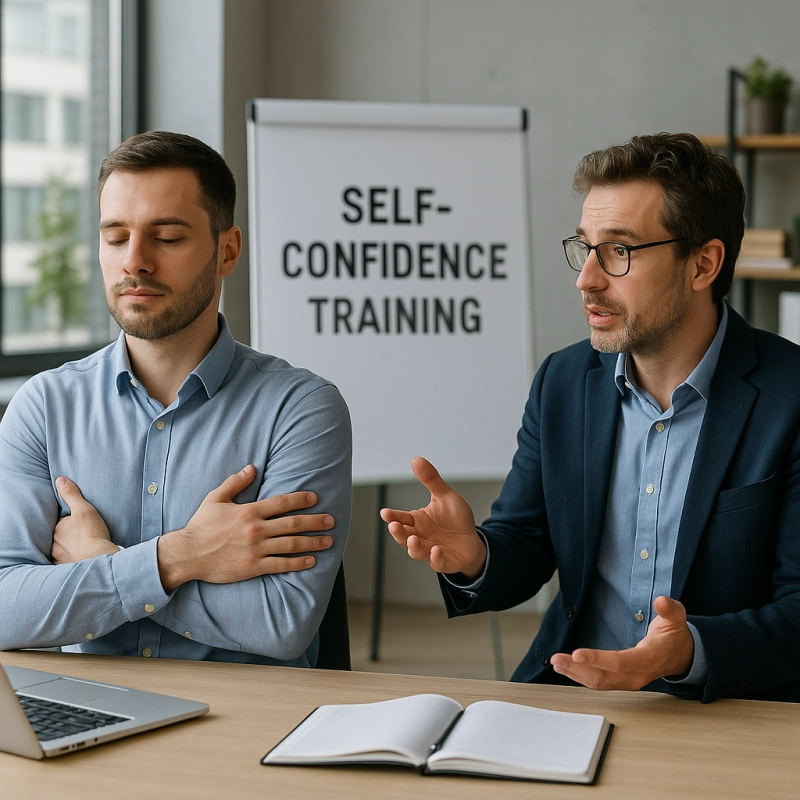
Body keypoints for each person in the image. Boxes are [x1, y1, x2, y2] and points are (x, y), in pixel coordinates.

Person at [381, 132, 800, 703]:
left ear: (704, 263)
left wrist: (689, 651)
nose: (587, 279)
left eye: (619, 251)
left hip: (726, 706)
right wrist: (475, 553)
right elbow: (527, 541)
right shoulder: (564, 382)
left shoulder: (790, 395)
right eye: (585, 248)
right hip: (569, 688)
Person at [0, 131, 352, 668]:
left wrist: (99, 562)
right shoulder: (44, 407)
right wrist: (178, 557)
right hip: (91, 715)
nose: (135, 262)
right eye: (115, 237)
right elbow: (6, 607)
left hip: (242, 731)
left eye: (166, 237)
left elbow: (282, 622)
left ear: (227, 250)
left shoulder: (300, 409)